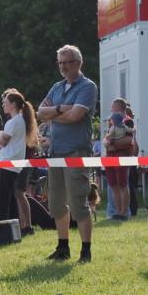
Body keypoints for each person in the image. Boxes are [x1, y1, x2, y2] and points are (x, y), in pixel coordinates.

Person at [37, 44, 98, 262]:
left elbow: (75, 116)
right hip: (56, 152)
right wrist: (62, 109)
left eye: (67, 62)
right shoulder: (56, 87)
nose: (63, 67)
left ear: (78, 63)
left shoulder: (88, 87)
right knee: (55, 203)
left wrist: (54, 112)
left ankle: (86, 250)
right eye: (60, 63)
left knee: (77, 202)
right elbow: (40, 112)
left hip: (76, 151)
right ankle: (63, 247)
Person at [0, 89, 39, 234]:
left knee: (2, 198)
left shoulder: (13, 122)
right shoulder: (19, 120)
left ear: (13, 104)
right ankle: (14, 229)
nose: (3, 105)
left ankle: (2, 229)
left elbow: (2, 141)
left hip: (8, 163)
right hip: (12, 164)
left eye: (6, 102)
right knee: (10, 197)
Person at [103, 98, 136, 220]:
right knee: (113, 185)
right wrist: (107, 143)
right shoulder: (111, 121)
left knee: (123, 184)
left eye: (113, 106)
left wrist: (113, 144)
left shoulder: (128, 121)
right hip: (110, 157)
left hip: (122, 156)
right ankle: (117, 212)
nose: (111, 109)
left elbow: (128, 140)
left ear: (120, 107)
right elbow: (107, 138)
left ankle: (124, 212)